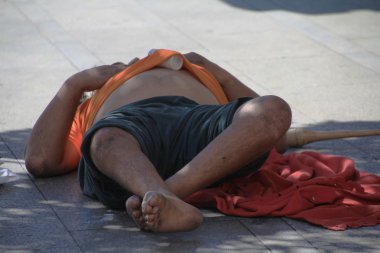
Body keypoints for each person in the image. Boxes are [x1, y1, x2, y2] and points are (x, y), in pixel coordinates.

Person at [24, 49, 292, 232]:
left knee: (274, 108)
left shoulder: (201, 71)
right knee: (104, 140)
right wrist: (75, 84)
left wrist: (215, 72)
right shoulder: (93, 102)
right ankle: (160, 195)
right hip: (129, 126)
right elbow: (39, 161)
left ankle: (164, 196)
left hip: (200, 122)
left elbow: (275, 138)